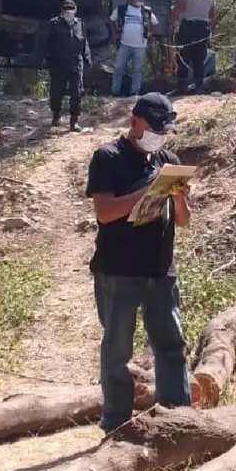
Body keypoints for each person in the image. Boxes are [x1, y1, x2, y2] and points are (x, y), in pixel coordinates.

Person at [85, 92, 192, 433]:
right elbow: (104, 212)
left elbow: (184, 220)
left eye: (164, 130)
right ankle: (117, 423)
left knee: (171, 344)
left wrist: (177, 196)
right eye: (154, 128)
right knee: (117, 349)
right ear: (135, 123)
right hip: (118, 270)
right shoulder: (108, 158)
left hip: (160, 269)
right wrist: (145, 194)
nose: (159, 136)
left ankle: (178, 419)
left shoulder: (168, 160)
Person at [44, 0, 91, 132]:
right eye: (66, 10)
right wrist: (44, 59)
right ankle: (56, 115)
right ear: (62, 11)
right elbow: (45, 42)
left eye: (71, 9)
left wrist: (87, 58)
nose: (69, 12)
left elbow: (84, 42)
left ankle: (74, 121)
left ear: (75, 10)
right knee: (56, 92)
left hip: (76, 62)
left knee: (77, 92)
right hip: (58, 63)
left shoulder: (80, 23)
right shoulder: (54, 24)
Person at [169, 0, 215, 95]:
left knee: (183, 56)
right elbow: (212, 14)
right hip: (203, 26)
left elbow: (180, 7)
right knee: (199, 57)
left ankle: (181, 87)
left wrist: (172, 23)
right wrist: (210, 29)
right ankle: (199, 87)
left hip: (189, 25)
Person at [110, 0, 158, 97]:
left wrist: (150, 33)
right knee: (118, 67)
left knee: (137, 69)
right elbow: (112, 20)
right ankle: (115, 91)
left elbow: (155, 23)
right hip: (124, 44)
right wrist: (114, 34)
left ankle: (134, 91)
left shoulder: (146, 11)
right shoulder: (122, 9)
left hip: (140, 45)